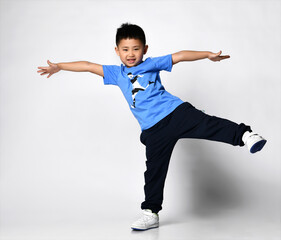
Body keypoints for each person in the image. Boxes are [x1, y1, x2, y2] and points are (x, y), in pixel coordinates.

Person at [37, 23, 267, 231]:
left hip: (175, 113)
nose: (131, 54)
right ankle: (151, 213)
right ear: (117, 51)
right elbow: (87, 66)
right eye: (125, 49)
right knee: (154, 171)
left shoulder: (151, 64)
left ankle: (246, 135)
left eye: (135, 49)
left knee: (208, 125)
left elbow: (179, 56)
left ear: (144, 49)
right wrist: (59, 66)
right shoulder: (116, 73)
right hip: (153, 130)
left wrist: (207, 55)